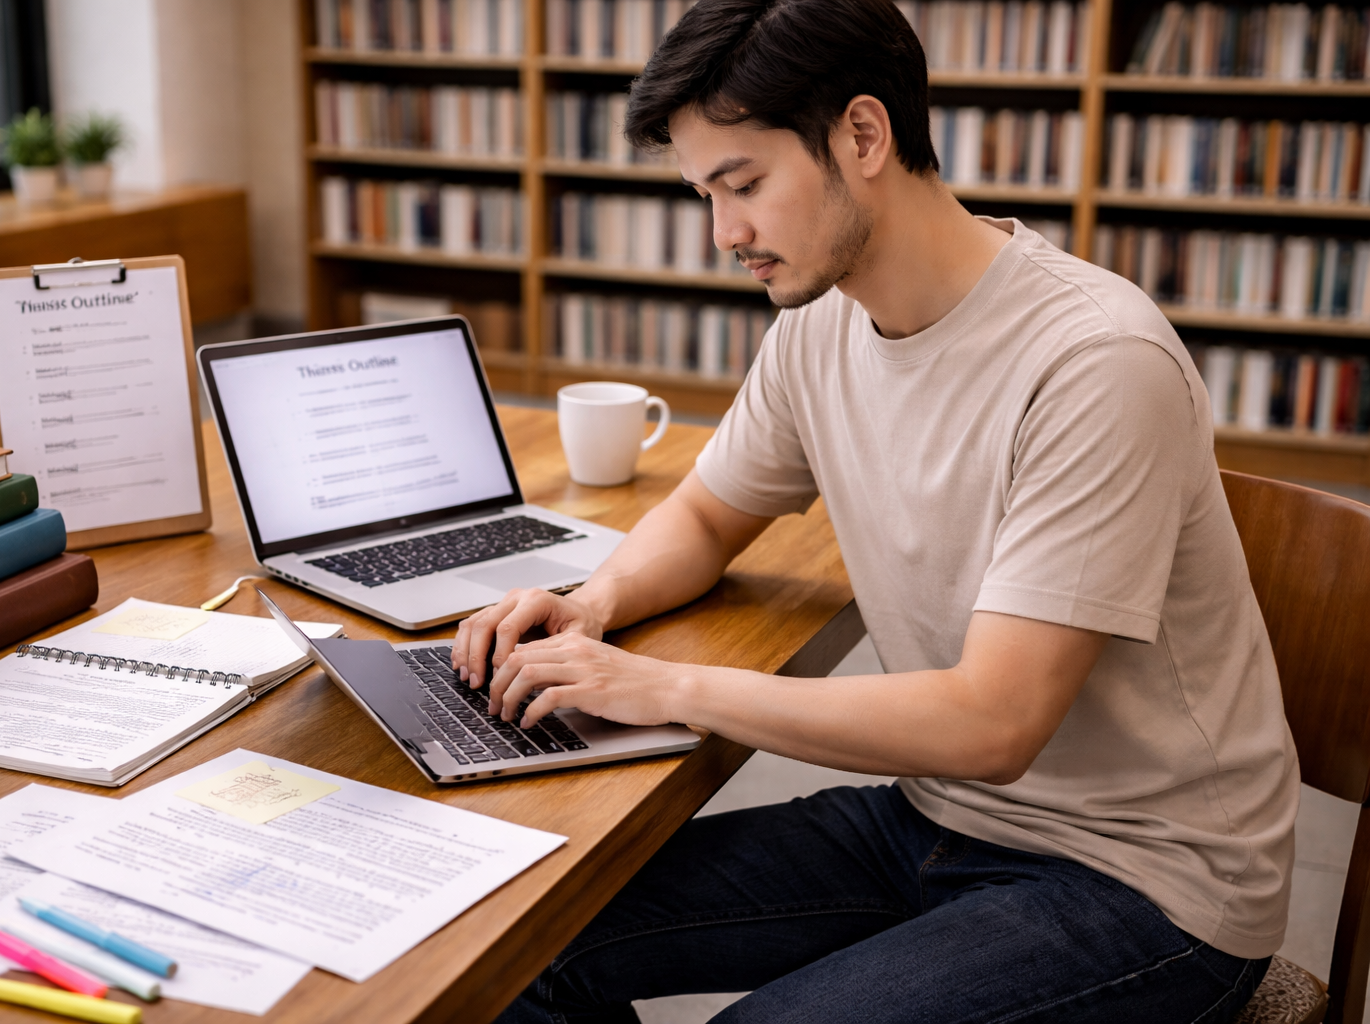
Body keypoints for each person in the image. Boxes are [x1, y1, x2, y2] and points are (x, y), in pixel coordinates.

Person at [451, 0, 1299, 1018]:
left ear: (863, 135)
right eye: (703, 195)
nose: (726, 234)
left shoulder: (1095, 362)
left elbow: (995, 722)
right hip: (940, 818)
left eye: (744, 185)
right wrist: (594, 602)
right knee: (522, 939)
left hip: (1150, 884)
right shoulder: (823, 324)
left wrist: (665, 684)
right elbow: (710, 515)